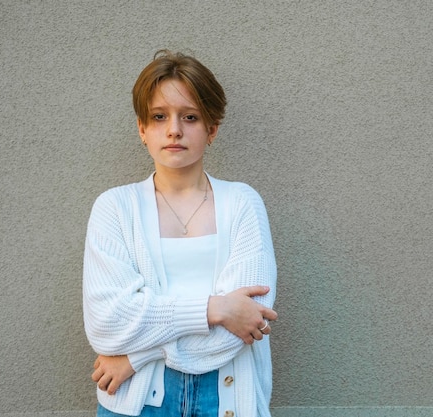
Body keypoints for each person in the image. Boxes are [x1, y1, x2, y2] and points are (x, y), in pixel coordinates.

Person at [83, 50, 278, 417]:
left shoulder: (242, 203)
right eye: (159, 117)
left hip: (228, 399)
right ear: (142, 129)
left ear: (212, 129)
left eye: (190, 117)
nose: (174, 129)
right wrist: (215, 308)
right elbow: (108, 323)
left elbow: (250, 322)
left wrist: (139, 354)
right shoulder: (114, 208)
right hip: (136, 404)